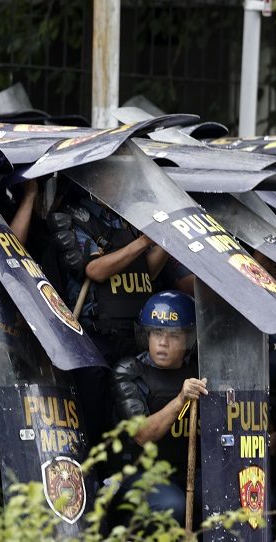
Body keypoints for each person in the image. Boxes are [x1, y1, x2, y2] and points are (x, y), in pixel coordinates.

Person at [111, 291, 206, 525]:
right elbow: (142, 434)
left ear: (189, 339)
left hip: (189, 471)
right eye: (156, 333)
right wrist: (180, 399)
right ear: (146, 336)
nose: (163, 342)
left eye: (173, 335)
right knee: (173, 506)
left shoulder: (200, 373)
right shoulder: (129, 372)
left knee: (226, 494)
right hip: (140, 474)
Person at [62, 192, 169, 362]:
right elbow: (95, 270)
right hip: (98, 334)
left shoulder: (129, 218)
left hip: (136, 330)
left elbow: (149, 272)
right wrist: (143, 241)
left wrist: (169, 236)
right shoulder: (78, 216)